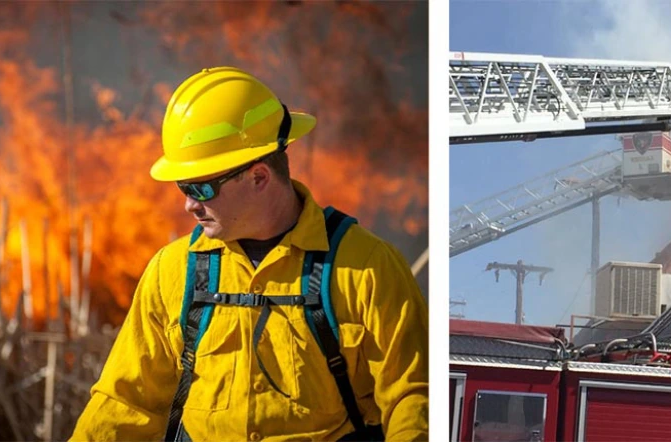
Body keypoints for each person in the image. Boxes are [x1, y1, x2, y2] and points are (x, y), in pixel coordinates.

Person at [70, 67, 429, 441]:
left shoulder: (366, 268)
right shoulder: (172, 272)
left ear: (259, 177)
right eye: (183, 186)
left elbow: (414, 396)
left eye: (203, 187)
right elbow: (125, 403)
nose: (189, 205)